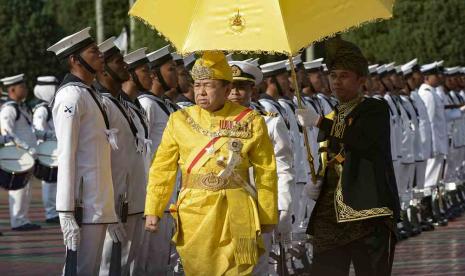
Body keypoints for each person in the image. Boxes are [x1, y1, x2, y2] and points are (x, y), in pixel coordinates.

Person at [144, 51, 278, 275]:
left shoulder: (251, 120)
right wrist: (153, 209)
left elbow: (266, 172)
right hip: (194, 212)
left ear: (227, 90)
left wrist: (268, 214)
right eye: (197, 85)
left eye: (208, 85)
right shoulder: (179, 120)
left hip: (238, 211)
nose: (201, 92)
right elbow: (162, 168)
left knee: (239, 268)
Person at [296, 37, 400, 276]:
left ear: (361, 80)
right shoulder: (332, 115)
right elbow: (328, 156)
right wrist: (317, 180)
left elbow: (360, 139)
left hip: (367, 212)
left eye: (344, 76)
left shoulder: (375, 109)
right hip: (330, 215)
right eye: (333, 76)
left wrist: (320, 122)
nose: (336, 82)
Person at [48, 27, 120, 275]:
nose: (101, 55)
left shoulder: (90, 94)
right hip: (82, 204)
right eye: (93, 52)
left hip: (98, 203)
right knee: (80, 270)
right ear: (74, 60)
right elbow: (66, 154)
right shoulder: (71, 96)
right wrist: (66, 211)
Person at [228, 60, 294, 275]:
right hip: (218, 209)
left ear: (253, 91)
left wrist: (283, 206)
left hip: (256, 208)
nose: (235, 93)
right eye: (230, 87)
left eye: (241, 87)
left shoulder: (269, 123)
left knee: (254, 267)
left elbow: (283, 168)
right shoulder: (209, 124)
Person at [94, 37, 147, 275]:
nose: (125, 65)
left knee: (127, 267)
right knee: (108, 267)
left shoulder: (124, 104)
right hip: (114, 203)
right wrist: (107, 209)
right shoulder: (101, 104)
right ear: (103, 69)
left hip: (134, 199)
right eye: (118, 62)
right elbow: (96, 160)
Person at [0, 73, 41, 231]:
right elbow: (7, 133)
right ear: (12, 89)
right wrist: (27, 147)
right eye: (21, 87)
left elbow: (29, 130)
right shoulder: (9, 110)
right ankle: (17, 220)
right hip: (18, 155)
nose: (25, 89)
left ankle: (22, 219)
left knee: (26, 189)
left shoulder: (20, 108)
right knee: (18, 189)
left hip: (27, 156)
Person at [33, 76, 60, 223]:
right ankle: (50, 213)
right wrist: (55, 135)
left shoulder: (50, 107)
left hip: (55, 151)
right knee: (49, 183)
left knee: (55, 182)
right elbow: (37, 131)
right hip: (47, 152)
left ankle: (55, 211)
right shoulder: (42, 110)